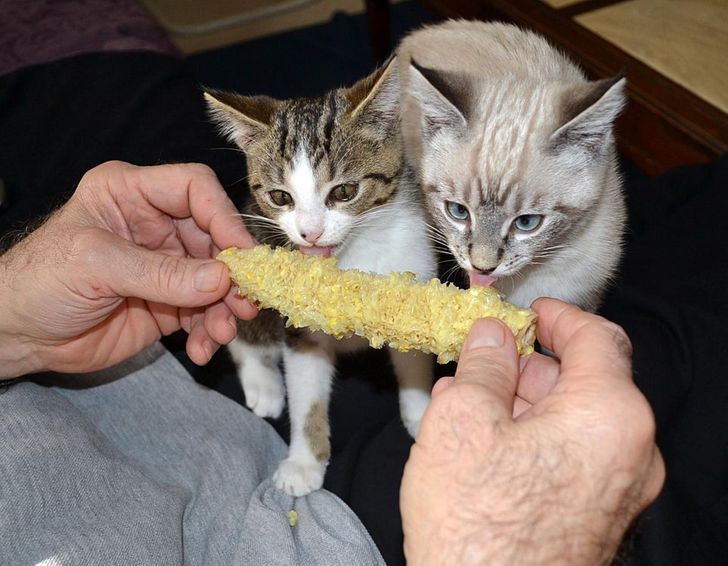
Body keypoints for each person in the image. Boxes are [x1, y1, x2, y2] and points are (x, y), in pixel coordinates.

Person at [0, 161, 663, 564]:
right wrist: (493, 552)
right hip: (336, 522)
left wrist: (11, 324)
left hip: (118, 367)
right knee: (665, 349)